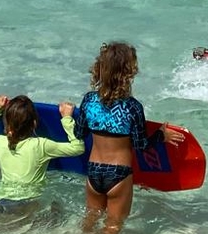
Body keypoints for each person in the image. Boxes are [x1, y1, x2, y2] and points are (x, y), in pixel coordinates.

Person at [74, 42, 184, 234]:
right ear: (129, 73)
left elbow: (79, 134)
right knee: (113, 226)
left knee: (90, 219)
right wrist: (161, 135)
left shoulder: (89, 100)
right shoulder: (132, 107)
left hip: (93, 171)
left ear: (100, 68)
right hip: (119, 174)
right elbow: (141, 145)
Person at [0, 94, 85, 216]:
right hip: (29, 203)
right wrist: (67, 118)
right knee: (57, 211)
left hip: (2, 200)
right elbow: (78, 147)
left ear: (8, 125)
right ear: (34, 124)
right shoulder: (40, 145)